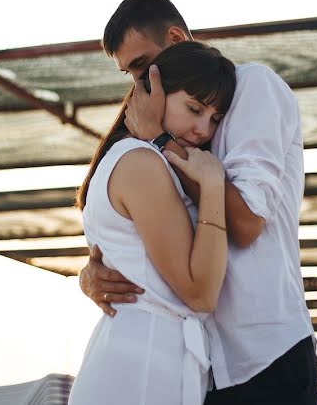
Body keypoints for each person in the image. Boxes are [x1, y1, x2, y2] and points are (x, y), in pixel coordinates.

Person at [79, 0, 317, 405]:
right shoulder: (155, 138)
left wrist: (161, 140)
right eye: (130, 75)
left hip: (266, 354)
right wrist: (90, 276)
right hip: (200, 365)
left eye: (141, 66)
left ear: (174, 39)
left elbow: (245, 226)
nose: (138, 83)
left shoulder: (252, 86)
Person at [68, 41, 237, 405]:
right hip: (141, 364)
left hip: (149, 355)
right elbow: (200, 293)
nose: (203, 129)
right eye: (194, 109)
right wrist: (212, 187)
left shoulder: (149, 161)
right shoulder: (141, 164)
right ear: (153, 94)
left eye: (215, 119)